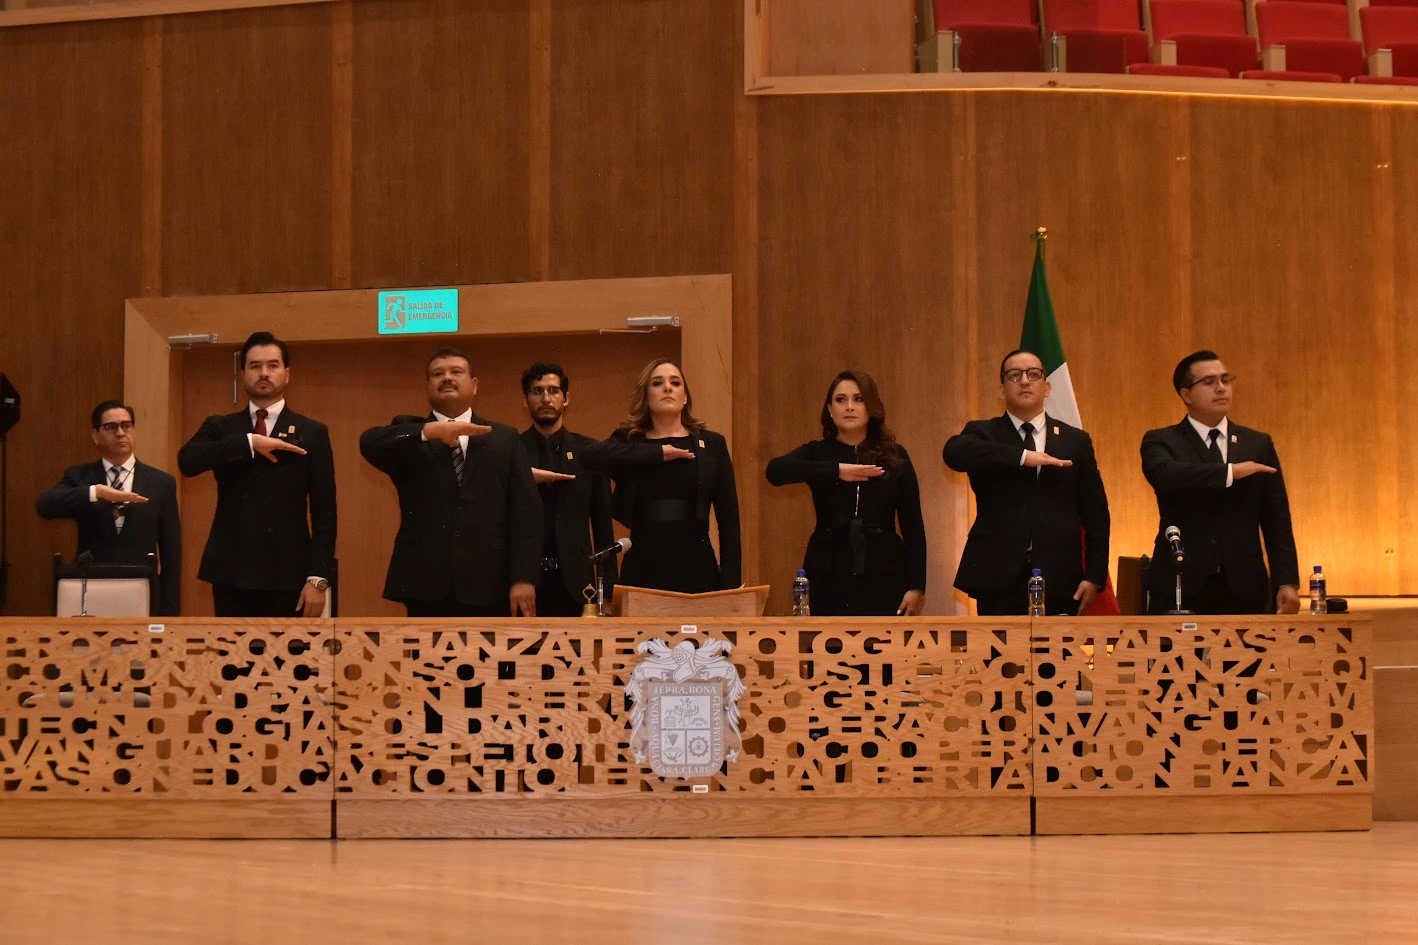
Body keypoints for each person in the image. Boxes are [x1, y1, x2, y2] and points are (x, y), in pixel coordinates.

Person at [360, 345, 542, 618]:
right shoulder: (410, 436)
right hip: (425, 583)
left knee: (487, 661)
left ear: (474, 385)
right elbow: (369, 443)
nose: (447, 377)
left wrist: (523, 578)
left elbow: (527, 514)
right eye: (437, 373)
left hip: (490, 582)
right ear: (428, 386)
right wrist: (430, 431)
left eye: (456, 371)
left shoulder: (505, 438)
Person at [177, 332, 336, 618]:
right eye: (254, 366)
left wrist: (318, 578)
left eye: (273, 365)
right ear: (243, 374)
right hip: (232, 572)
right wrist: (249, 443)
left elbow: (326, 513)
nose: (264, 373)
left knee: (290, 663)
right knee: (233, 661)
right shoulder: (221, 427)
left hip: (290, 574)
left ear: (287, 374)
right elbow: (187, 461)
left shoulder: (311, 432)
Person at [943, 349, 1111, 616]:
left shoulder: (1075, 440)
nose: (1024, 380)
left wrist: (1094, 576)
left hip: (1060, 574)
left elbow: (1097, 515)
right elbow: (953, 453)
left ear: (1046, 388)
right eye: (1014, 375)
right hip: (997, 573)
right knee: (1000, 657)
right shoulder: (982, 433)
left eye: (1033, 374)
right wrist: (1022, 457)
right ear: (1002, 389)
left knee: (1055, 657)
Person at [1141, 350, 1299, 615]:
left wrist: (1287, 581)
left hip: (1244, 586)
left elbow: (1277, 520)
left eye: (1226, 380)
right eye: (1209, 382)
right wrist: (1229, 472)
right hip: (1181, 583)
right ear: (1186, 395)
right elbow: (1166, 475)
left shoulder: (1257, 444)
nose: (1221, 388)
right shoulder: (1162, 441)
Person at [765, 370, 926, 616]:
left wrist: (917, 586)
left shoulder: (896, 455)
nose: (849, 407)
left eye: (858, 399)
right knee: (827, 650)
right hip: (828, 565)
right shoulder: (817, 452)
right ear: (830, 409)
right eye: (841, 400)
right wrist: (835, 470)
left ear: (871, 407)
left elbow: (913, 524)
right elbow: (774, 471)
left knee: (883, 651)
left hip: (884, 566)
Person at [586, 358, 740, 594]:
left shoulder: (711, 444)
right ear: (646, 396)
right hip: (642, 566)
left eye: (675, 383)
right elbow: (589, 456)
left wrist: (730, 587)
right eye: (657, 383)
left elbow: (729, 520)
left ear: (685, 396)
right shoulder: (630, 441)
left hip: (697, 565)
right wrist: (656, 452)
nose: (667, 388)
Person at [36, 400, 182, 615]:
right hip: (92, 590)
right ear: (95, 435)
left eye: (126, 425)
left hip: (143, 591)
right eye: (111, 427)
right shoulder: (80, 477)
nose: (121, 433)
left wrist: (170, 615)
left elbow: (172, 554)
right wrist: (95, 492)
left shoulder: (161, 482)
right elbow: (45, 505)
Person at [519, 361, 617, 617]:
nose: (545, 398)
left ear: (566, 398)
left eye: (553, 390)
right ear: (525, 400)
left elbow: (604, 529)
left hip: (578, 587)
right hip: (525, 585)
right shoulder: (512, 452)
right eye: (537, 391)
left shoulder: (590, 453)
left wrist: (608, 592)